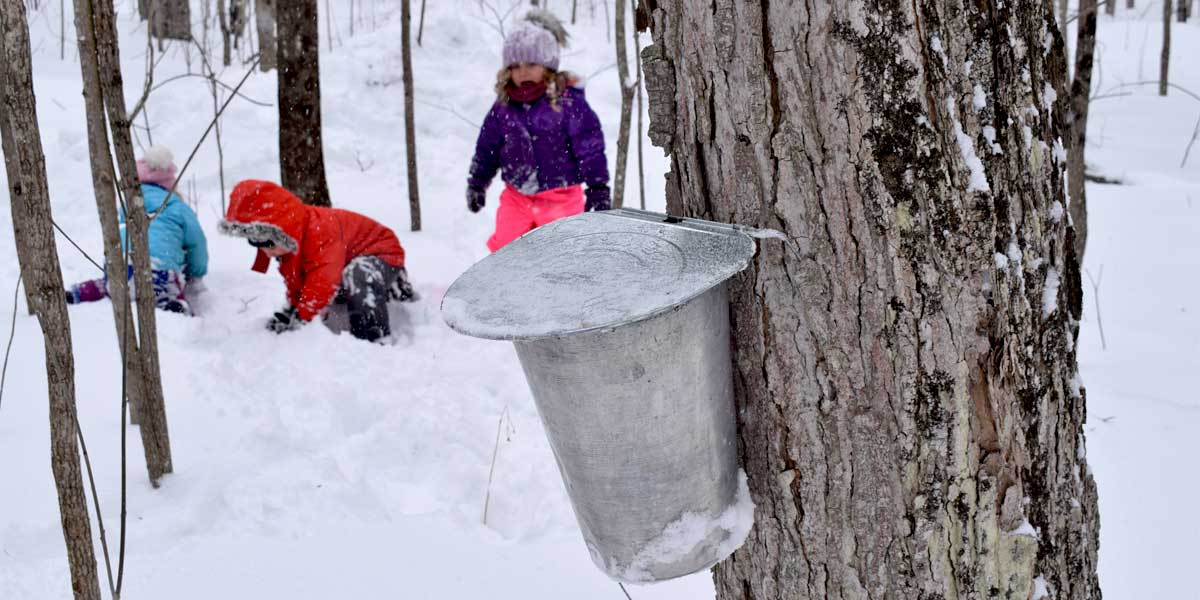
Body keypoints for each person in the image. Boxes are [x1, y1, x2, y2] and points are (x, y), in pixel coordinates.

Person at [466, 9, 610, 252]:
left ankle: (563, 286)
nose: (523, 71)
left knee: (562, 253)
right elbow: (487, 148)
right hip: (517, 196)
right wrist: (477, 183)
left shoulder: (568, 103)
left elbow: (590, 148)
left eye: (531, 64)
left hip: (561, 197)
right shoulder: (503, 107)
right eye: (516, 66)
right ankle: (508, 286)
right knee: (504, 250)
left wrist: (598, 189)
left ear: (548, 65)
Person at [219, 180, 414, 343]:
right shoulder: (293, 243)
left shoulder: (320, 232)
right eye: (256, 244)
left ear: (285, 232)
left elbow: (323, 280)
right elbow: (297, 280)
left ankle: (372, 337)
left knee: (358, 275)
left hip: (381, 253)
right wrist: (294, 310)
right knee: (340, 279)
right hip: (345, 259)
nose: (265, 252)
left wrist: (304, 317)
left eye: (269, 244)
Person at [65, 146, 207, 314]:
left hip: (123, 266)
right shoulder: (177, 206)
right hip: (159, 271)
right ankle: (171, 304)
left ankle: (80, 292)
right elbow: (197, 244)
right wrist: (195, 273)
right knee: (165, 291)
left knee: (111, 284)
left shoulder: (129, 203)